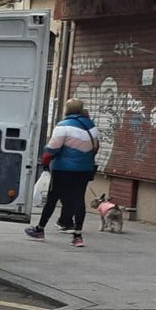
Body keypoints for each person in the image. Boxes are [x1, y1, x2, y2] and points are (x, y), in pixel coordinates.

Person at [26, 98, 100, 247]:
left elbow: (52, 149)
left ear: (67, 109)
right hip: (84, 170)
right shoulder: (92, 127)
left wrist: (45, 162)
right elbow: (96, 148)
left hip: (63, 170)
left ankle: (40, 229)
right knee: (79, 200)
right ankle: (78, 236)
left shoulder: (63, 126)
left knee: (53, 198)